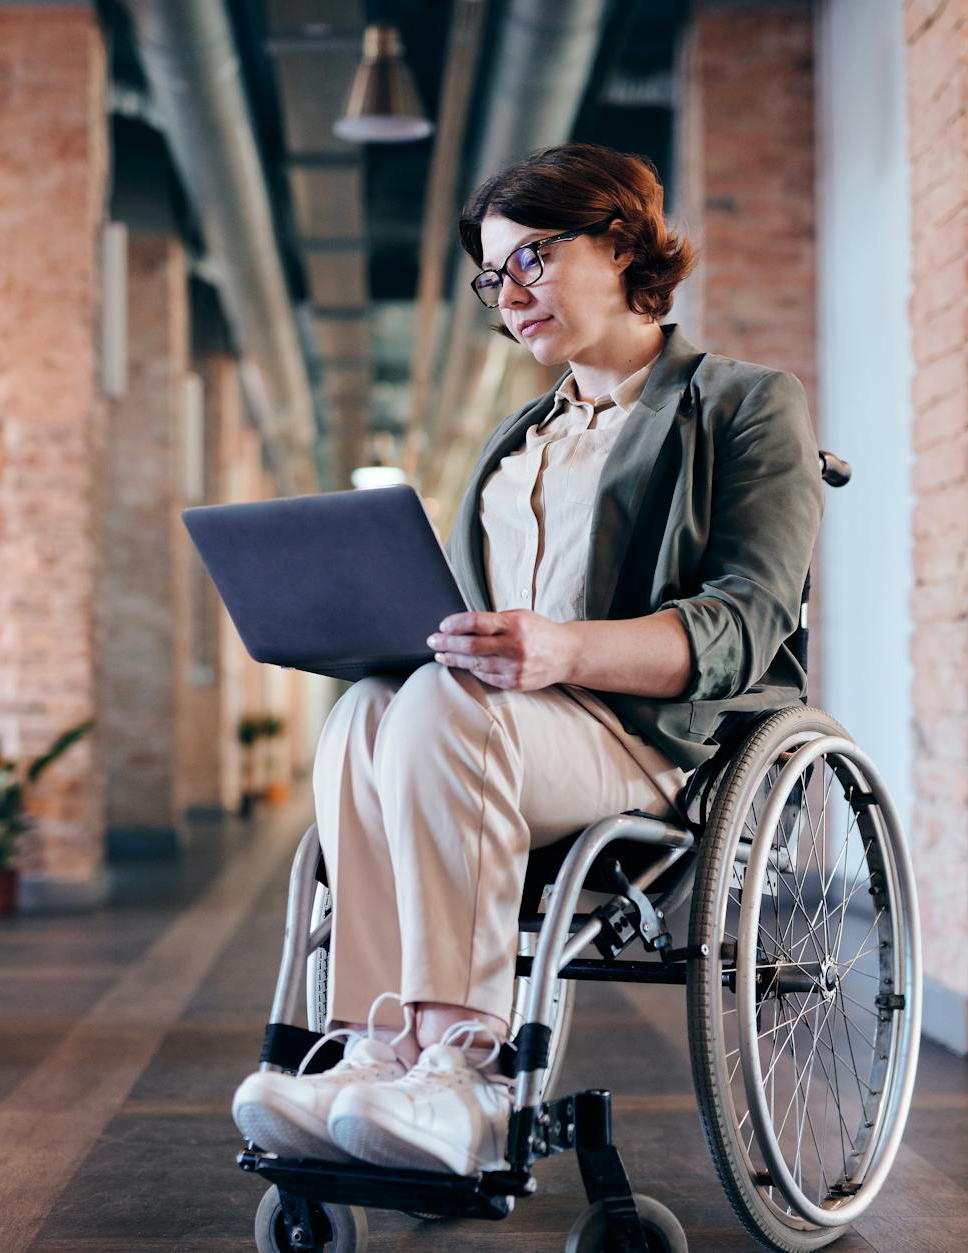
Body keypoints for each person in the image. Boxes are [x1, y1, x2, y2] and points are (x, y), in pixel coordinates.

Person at [232, 142, 825, 1177]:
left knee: (439, 709)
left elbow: (748, 616)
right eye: (489, 275)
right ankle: (377, 1045)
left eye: (530, 259)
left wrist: (558, 649)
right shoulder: (517, 441)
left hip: (642, 743)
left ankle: (463, 1066)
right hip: (498, 731)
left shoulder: (739, 404)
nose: (506, 294)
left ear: (616, 240)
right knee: (370, 706)